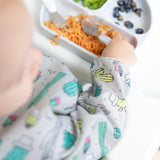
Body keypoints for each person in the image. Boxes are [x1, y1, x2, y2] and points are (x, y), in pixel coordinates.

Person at [0, 0, 137, 159]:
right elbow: (102, 133)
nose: (38, 54)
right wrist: (115, 67)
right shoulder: (33, 139)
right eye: (24, 57)